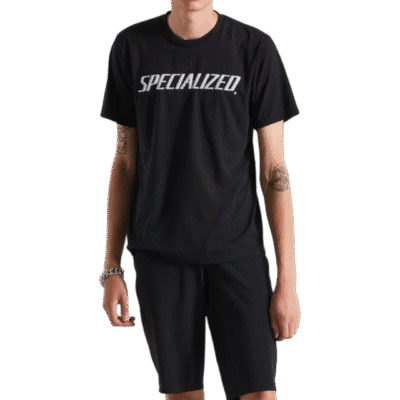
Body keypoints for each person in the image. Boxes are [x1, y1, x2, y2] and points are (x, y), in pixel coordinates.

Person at [99, 1, 301, 399]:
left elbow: (274, 172)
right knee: (184, 396)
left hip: (238, 252)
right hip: (161, 256)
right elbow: (124, 161)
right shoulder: (132, 46)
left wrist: (288, 282)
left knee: (260, 393)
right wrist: (111, 266)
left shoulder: (254, 48)